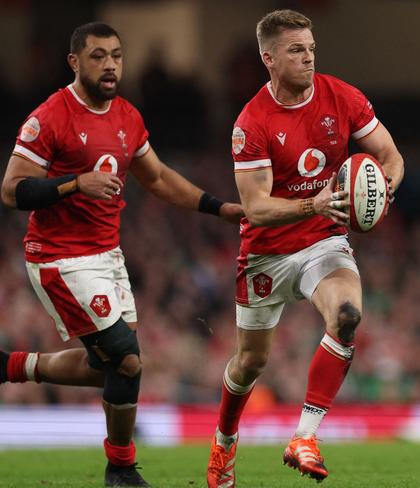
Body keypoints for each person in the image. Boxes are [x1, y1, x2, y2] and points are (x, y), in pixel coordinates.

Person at [0, 22, 243, 487]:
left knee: (111, 368)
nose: (110, 64)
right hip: (58, 257)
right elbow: (12, 191)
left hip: (107, 256)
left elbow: (157, 178)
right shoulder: (50, 116)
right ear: (75, 62)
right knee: (128, 360)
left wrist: (219, 207)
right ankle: (121, 468)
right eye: (98, 56)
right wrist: (74, 183)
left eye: (116, 55)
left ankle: (10, 366)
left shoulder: (127, 115)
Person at [206, 9, 404, 487]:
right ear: (268, 58)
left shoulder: (343, 97)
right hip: (266, 252)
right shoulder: (251, 122)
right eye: (296, 50)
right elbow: (254, 207)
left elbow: (390, 156)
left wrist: (382, 191)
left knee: (348, 316)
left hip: (324, 239)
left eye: (311, 48)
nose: (308, 57)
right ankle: (224, 444)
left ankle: (304, 437)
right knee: (250, 362)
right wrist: (313, 204)